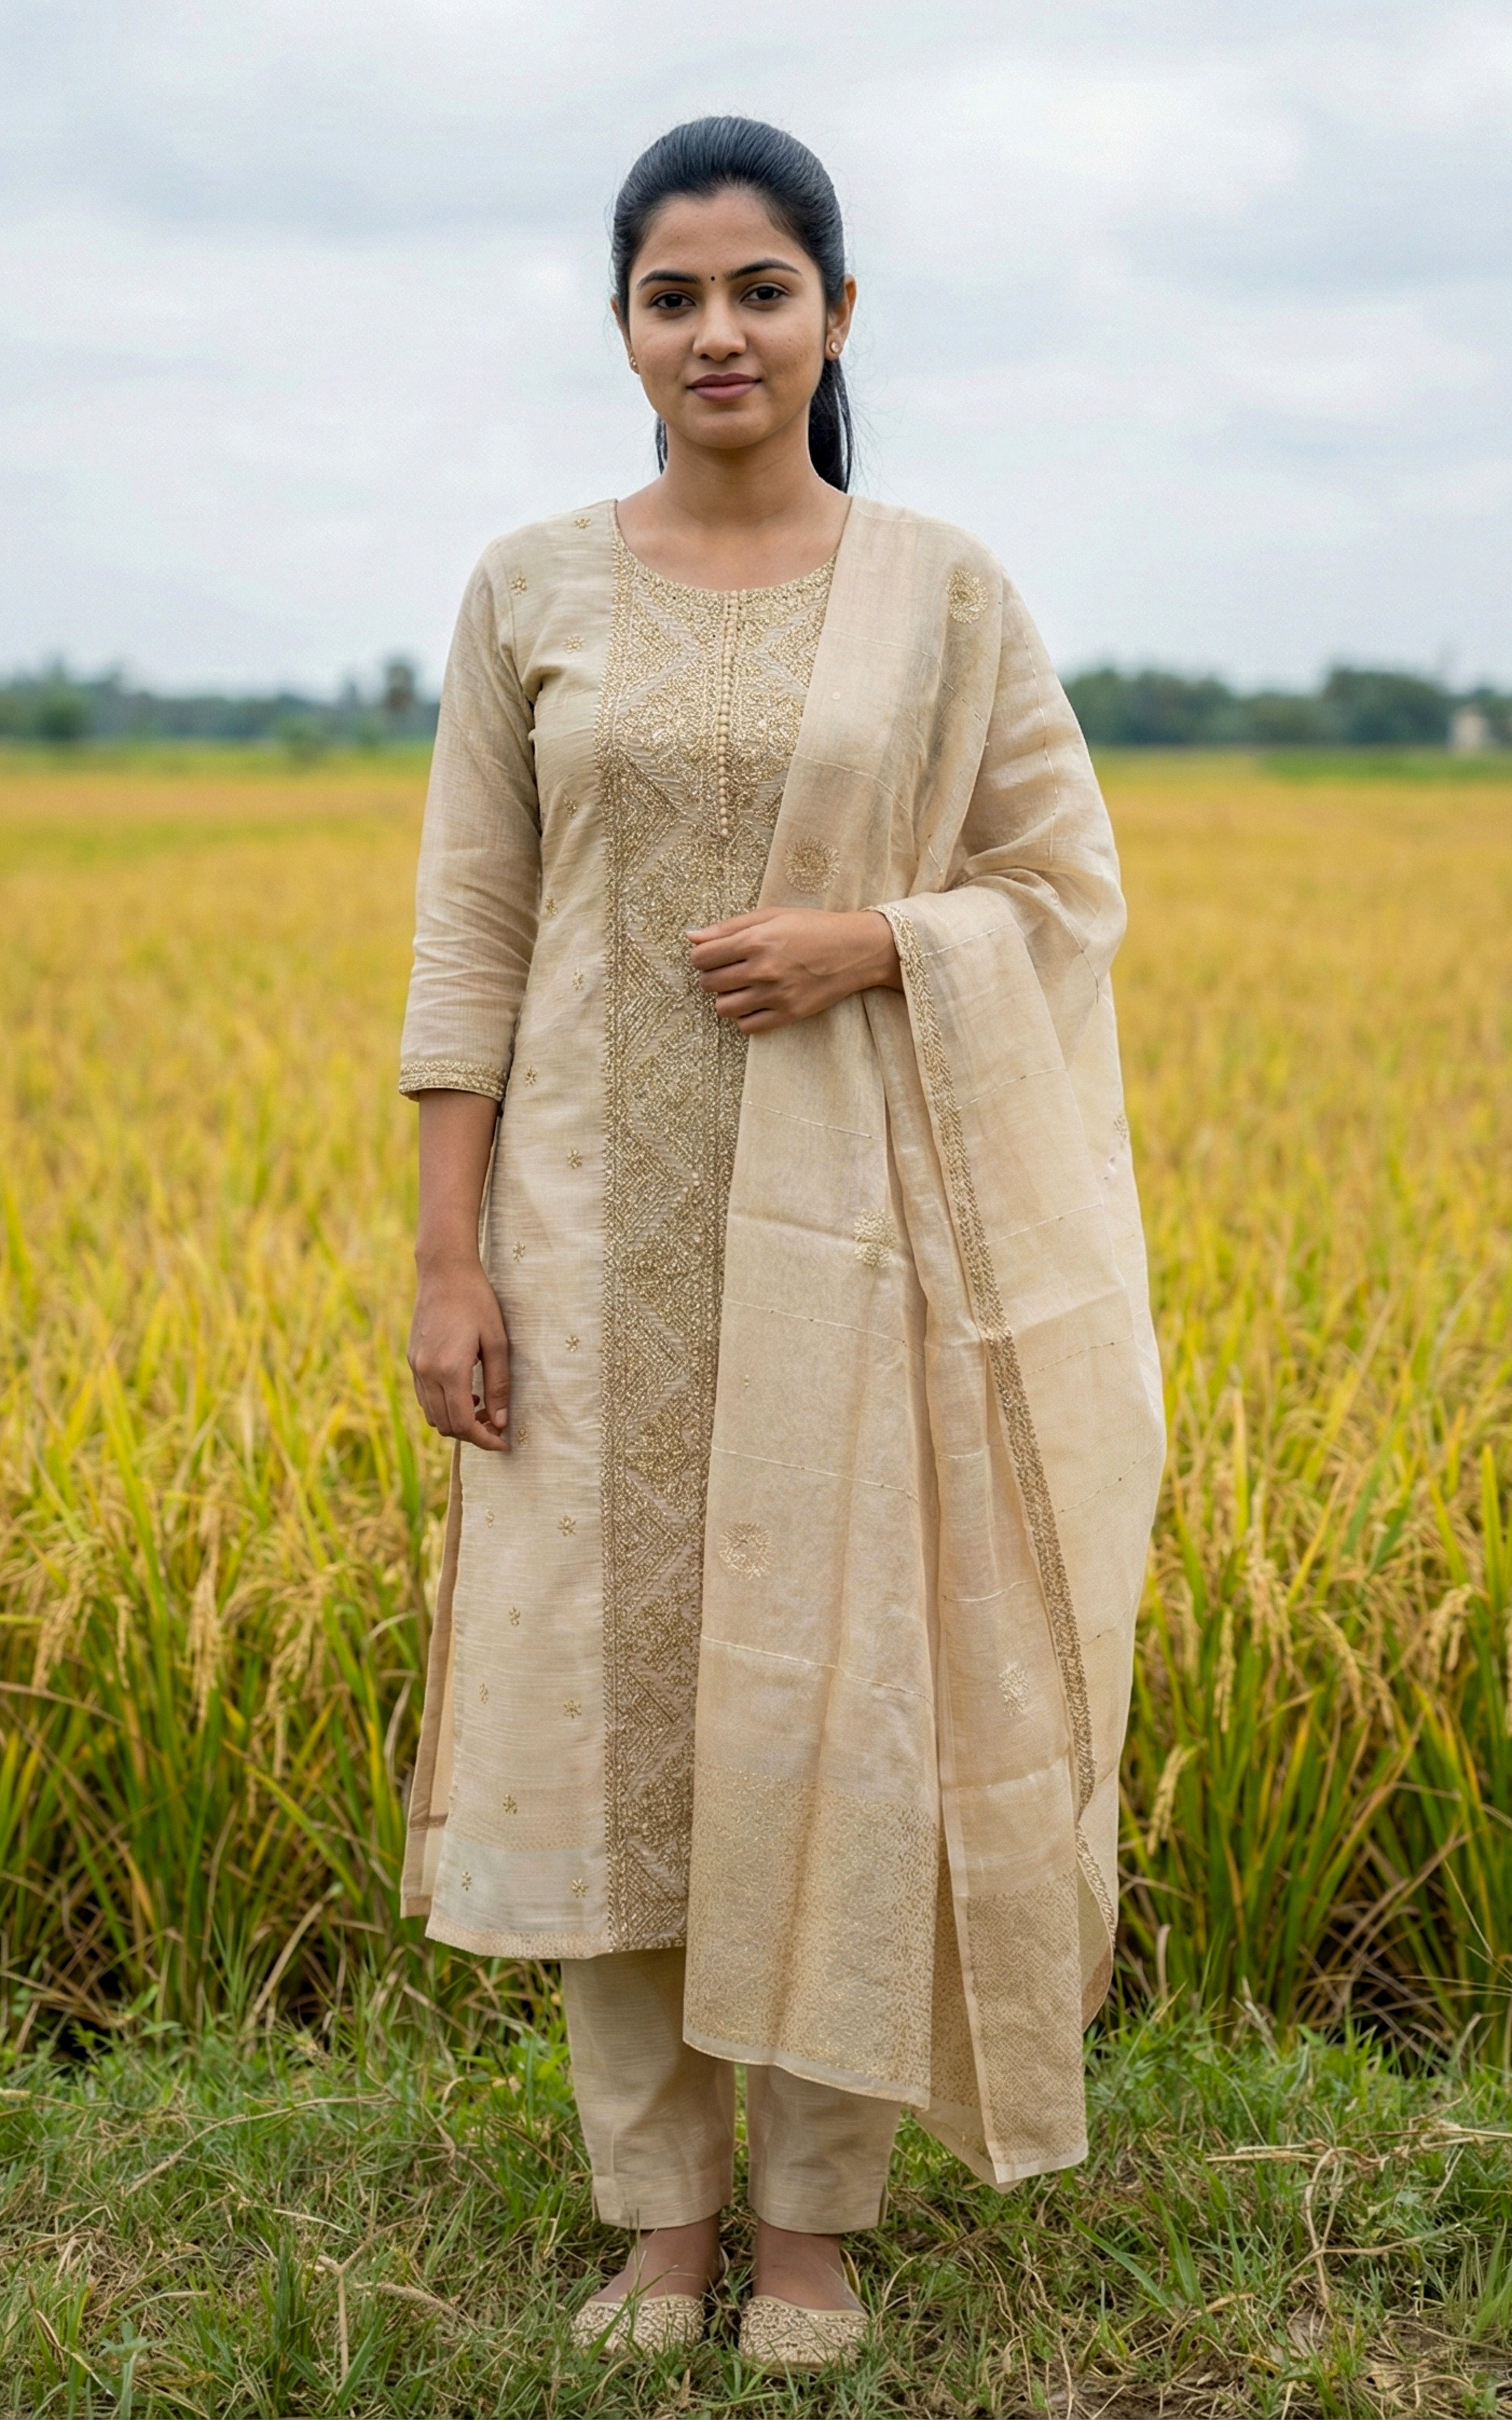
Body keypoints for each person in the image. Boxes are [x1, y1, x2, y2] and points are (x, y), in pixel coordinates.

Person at [398, 115, 1163, 2370]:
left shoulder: (942, 591)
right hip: (585, 1249)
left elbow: (1061, 893)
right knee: (614, 1722)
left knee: (843, 1714)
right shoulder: (529, 590)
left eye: (759, 290)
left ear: (836, 313)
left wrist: (875, 940)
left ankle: (813, 2222)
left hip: (861, 1253)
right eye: (673, 296)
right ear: (620, 327)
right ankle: (657, 2215)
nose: (716, 333)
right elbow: (469, 933)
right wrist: (448, 1259)